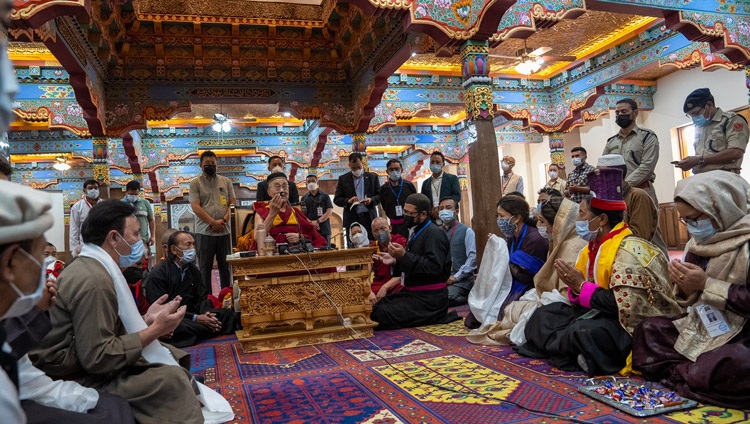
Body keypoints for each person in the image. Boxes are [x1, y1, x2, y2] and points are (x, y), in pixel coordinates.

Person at [30, 200, 234, 423]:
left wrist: (146, 320)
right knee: (170, 378)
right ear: (114, 238)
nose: (141, 240)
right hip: (72, 372)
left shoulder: (92, 266)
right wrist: (155, 330)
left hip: (83, 356)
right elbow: (97, 358)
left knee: (168, 353)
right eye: (136, 234)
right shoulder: (94, 280)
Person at [517, 168, 680, 376]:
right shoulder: (592, 247)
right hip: (597, 311)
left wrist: (581, 286)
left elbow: (622, 306)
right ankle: (572, 354)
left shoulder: (628, 251)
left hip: (626, 324)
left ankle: (575, 353)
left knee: (584, 332)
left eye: (582, 215)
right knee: (543, 315)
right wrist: (577, 289)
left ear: (602, 220)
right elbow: (585, 296)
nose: (579, 222)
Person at [0, 181, 134, 424]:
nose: (48, 268)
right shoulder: (91, 278)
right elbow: (95, 356)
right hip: (74, 368)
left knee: (113, 407)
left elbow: (30, 380)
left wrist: (89, 400)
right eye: (41, 257)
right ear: (10, 263)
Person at [632, 171, 750, 409]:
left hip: (744, 331)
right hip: (706, 323)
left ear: (722, 208)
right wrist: (686, 287)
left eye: (695, 218)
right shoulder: (698, 245)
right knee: (648, 330)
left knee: (735, 363)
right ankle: (694, 374)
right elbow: (690, 303)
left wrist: (706, 284)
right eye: (685, 220)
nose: (691, 227)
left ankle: (687, 373)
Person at [467, 196, 587, 345]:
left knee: (510, 312)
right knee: (478, 312)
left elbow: (531, 276)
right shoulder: (547, 240)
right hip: (533, 287)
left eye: (542, 221)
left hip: (533, 287)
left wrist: (503, 256)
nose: (538, 225)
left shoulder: (539, 239)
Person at [465, 195, 548, 329]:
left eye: (502, 216)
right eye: (497, 216)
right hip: (511, 281)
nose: (499, 220)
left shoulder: (534, 239)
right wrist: (497, 248)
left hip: (526, 286)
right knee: (474, 317)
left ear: (516, 218)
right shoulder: (512, 238)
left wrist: (502, 256)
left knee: (497, 315)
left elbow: (526, 276)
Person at [371, 193, 452, 330]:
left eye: (410, 213)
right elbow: (413, 260)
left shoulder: (433, 234)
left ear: (423, 214)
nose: (406, 216)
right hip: (414, 293)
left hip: (429, 300)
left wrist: (403, 257)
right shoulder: (416, 231)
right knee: (376, 306)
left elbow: (434, 266)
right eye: (405, 211)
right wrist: (395, 260)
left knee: (380, 314)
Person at [146, 231, 237, 348]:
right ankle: (208, 329)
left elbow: (202, 297)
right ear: (174, 249)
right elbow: (159, 309)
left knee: (227, 315)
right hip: (176, 318)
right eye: (188, 245)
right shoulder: (159, 273)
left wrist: (206, 314)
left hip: (195, 314)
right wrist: (196, 318)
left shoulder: (193, 270)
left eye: (193, 244)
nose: (193, 248)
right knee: (175, 327)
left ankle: (205, 327)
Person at [597, 154, 667, 254]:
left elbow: (638, 238)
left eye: (601, 174)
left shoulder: (638, 196)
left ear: (615, 175)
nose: (597, 178)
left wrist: (605, 235)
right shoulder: (603, 198)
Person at [189, 150, 236, 289]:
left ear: (217, 164)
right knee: (204, 268)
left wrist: (224, 220)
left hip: (225, 231)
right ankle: (206, 300)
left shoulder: (226, 182)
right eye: (207, 163)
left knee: (226, 267)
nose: (210, 166)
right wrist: (213, 222)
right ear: (201, 165)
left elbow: (232, 203)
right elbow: (196, 207)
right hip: (204, 231)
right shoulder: (195, 183)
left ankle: (226, 297)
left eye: (213, 163)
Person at [676, 88, 750, 174]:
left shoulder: (731, 121)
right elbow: (701, 156)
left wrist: (699, 160)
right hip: (701, 177)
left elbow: (736, 152)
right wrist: (689, 163)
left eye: (696, 113)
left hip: (724, 176)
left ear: (709, 104)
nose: (694, 118)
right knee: (681, 186)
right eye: (690, 115)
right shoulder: (699, 126)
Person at [603, 98, 659, 204]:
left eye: (624, 111)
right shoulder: (611, 141)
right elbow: (604, 166)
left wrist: (624, 185)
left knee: (643, 220)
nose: (620, 115)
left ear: (635, 113)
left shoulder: (647, 136)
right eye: (617, 112)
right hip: (617, 196)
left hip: (641, 191)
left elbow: (647, 166)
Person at [253, 172, 327, 249]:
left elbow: (312, 234)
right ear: (269, 192)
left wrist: (300, 237)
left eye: (285, 187)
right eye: (277, 187)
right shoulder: (261, 212)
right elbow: (258, 238)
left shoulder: (295, 211)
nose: (282, 190)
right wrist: (272, 214)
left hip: (298, 251)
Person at [334, 153, 380, 247]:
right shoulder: (343, 179)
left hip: (369, 217)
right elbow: (337, 199)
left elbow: (380, 196)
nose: (357, 170)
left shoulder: (372, 177)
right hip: (352, 218)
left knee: (372, 244)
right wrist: (348, 201)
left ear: (362, 163)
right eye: (354, 168)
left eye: (358, 167)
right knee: (353, 246)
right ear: (349, 165)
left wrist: (371, 200)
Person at [439, 197, 476, 307]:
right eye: (441, 208)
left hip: (461, 281)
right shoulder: (437, 231)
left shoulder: (466, 231)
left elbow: (473, 258)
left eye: (448, 208)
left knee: (445, 298)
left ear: (456, 212)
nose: (444, 210)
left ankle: (468, 297)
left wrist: (456, 277)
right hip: (442, 280)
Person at [368, 217, 406, 304]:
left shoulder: (400, 242)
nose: (379, 233)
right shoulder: (372, 248)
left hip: (396, 282)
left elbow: (405, 271)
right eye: (376, 230)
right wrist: (369, 291)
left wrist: (385, 287)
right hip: (379, 283)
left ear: (390, 228)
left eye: (382, 228)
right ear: (372, 233)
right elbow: (366, 275)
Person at [379, 159, 417, 239]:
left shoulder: (409, 186)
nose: (394, 171)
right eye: (391, 169)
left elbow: (415, 204)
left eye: (397, 169)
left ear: (401, 170)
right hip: (393, 226)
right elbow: (385, 207)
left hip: (409, 225)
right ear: (387, 171)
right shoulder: (383, 189)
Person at [420, 151, 461, 219]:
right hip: (432, 218)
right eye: (432, 162)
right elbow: (424, 202)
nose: (434, 164)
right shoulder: (425, 183)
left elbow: (457, 196)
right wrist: (432, 211)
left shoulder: (452, 179)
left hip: (449, 216)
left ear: (443, 164)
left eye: (437, 162)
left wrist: (440, 208)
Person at [69, 179, 102, 256]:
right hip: (84, 245)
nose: (94, 190)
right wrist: (75, 248)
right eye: (90, 188)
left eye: (96, 188)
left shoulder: (105, 205)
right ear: (84, 190)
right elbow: (74, 228)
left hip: (102, 244)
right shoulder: (77, 207)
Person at [122, 180, 155, 254]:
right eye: (131, 194)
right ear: (126, 192)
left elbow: (151, 220)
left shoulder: (145, 203)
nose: (133, 196)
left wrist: (153, 236)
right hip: (126, 241)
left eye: (136, 194)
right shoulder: (120, 204)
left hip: (142, 240)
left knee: (143, 263)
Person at [301, 174, 333, 246]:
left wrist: (318, 221)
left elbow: (329, 211)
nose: (311, 183)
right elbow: (303, 215)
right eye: (309, 182)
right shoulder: (304, 198)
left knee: (326, 252)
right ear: (306, 184)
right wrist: (312, 223)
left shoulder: (325, 196)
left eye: (313, 181)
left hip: (324, 229)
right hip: (311, 230)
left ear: (317, 183)